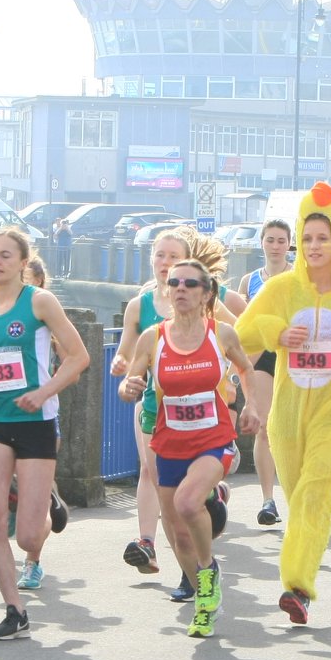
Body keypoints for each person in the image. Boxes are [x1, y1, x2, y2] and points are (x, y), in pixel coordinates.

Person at [236, 184, 331, 624]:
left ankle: (296, 584)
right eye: (306, 238)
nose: (313, 247)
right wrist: (277, 332)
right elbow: (241, 334)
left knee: (317, 489)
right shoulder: (282, 288)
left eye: (323, 238)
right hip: (286, 415)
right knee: (299, 497)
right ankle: (301, 572)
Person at [120, 256, 259, 635]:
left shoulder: (221, 334)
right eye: (175, 283)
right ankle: (203, 598)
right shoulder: (154, 338)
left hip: (214, 439)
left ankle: (208, 566)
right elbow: (130, 381)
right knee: (178, 532)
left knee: (186, 503)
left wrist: (252, 408)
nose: (180, 289)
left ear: (206, 294)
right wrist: (128, 386)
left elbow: (246, 369)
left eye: (190, 284)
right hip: (169, 442)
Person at [0, 227, 91, 639]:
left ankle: (46, 500)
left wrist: (43, 392)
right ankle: (14, 610)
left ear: (23, 263)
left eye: (5, 255)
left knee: (29, 535)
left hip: (36, 424)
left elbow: (78, 357)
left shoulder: (38, 301)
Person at [110, 228, 240, 599]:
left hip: (206, 418)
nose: (165, 264)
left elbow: (242, 332)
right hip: (155, 411)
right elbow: (127, 351)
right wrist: (123, 368)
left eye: (173, 257)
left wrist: (230, 376)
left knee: (187, 495)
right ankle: (176, 562)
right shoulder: (141, 305)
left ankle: (209, 499)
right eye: (159, 256)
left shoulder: (205, 301)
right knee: (155, 478)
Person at [238, 220, 294, 526]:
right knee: (264, 427)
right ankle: (268, 500)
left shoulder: (298, 277)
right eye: (270, 240)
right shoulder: (249, 282)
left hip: (291, 353)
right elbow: (242, 324)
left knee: (291, 429)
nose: (275, 245)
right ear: (262, 243)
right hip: (261, 356)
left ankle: (298, 496)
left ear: (289, 245)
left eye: (281, 241)